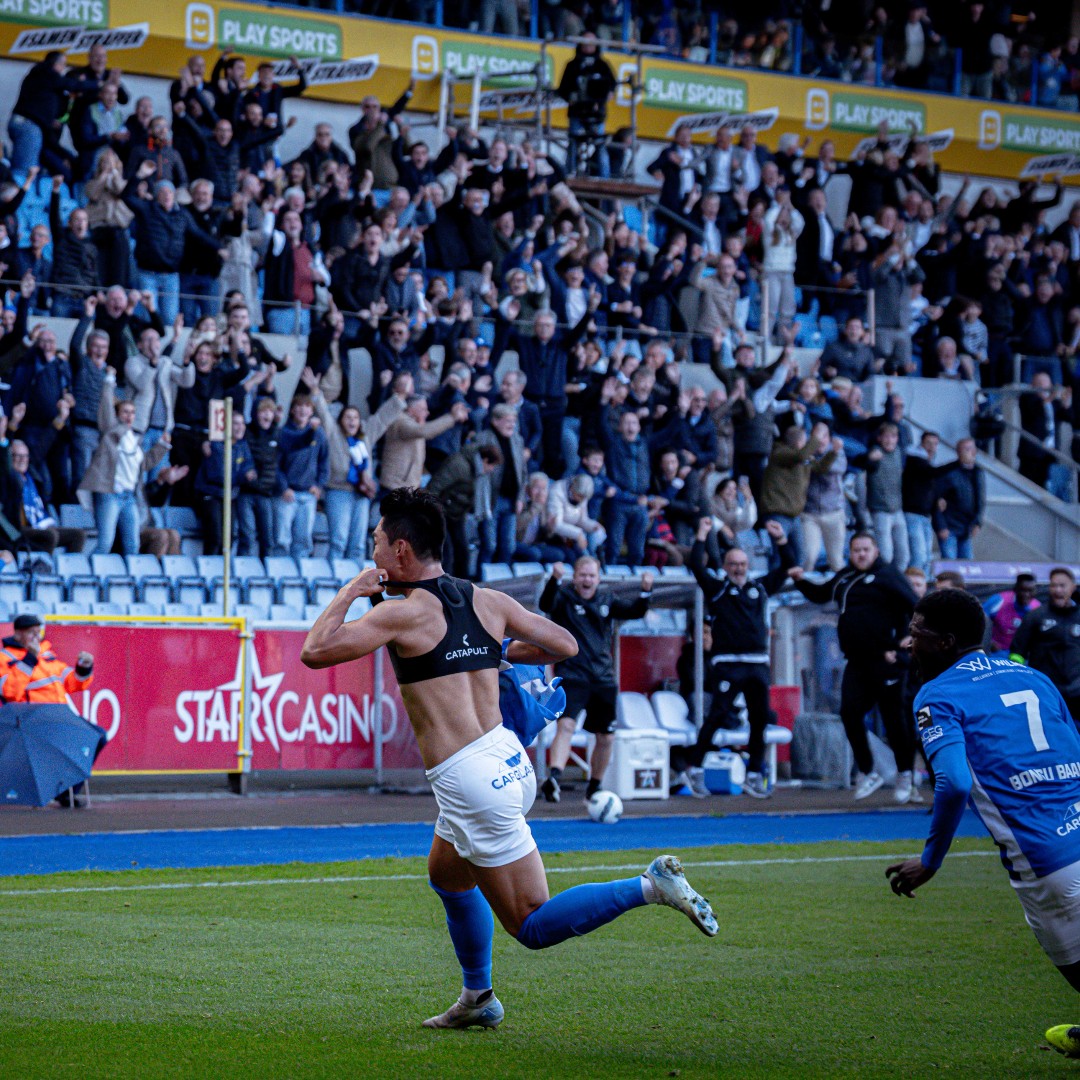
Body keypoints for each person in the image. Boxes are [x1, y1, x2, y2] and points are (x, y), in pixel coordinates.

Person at [300, 488, 716, 1030]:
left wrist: (355, 589)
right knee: (447, 875)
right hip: (508, 758)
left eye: (377, 542)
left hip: (471, 782)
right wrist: (494, 651)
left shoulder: (401, 615)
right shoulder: (485, 600)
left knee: (532, 924)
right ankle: (477, 999)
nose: (373, 553)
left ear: (401, 550)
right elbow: (564, 644)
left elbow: (315, 650)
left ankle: (650, 885)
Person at [883, 588, 1080, 1058]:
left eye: (917, 633)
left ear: (946, 642)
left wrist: (931, 861)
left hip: (1046, 861)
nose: (909, 643)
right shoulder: (1034, 676)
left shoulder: (938, 693)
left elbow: (952, 783)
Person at [791, 533, 919, 802]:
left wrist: (910, 638)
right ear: (850, 553)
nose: (861, 554)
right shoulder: (845, 577)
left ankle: (905, 774)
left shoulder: (887, 575)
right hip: (857, 661)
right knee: (849, 713)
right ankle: (868, 770)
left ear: (875, 551)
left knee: (895, 720)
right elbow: (820, 593)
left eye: (865, 550)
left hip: (887, 661)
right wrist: (800, 580)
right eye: (856, 550)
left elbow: (916, 604)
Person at [686, 518, 794, 798]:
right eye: (733, 564)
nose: (738, 569)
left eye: (743, 564)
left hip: (757, 663)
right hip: (728, 663)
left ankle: (755, 773)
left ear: (748, 566)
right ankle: (695, 767)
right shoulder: (718, 588)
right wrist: (701, 535)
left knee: (760, 719)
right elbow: (697, 566)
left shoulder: (760, 587)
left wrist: (780, 540)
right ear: (725, 566)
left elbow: (787, 566)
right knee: (718, 714)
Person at [538, 557, 654, 803]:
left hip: (603, 678)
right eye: (582, 575)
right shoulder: (564, 598)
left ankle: (595, 785)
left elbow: (635, 611)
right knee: (566, 725)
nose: (587, 580)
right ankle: (555, 777)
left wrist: (645, 592)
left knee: (606, 736)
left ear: (598, 578)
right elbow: (545, 603)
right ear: (575, 576)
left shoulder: (607, 599)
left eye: (592, 576)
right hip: (573, 675)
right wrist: (554, 579)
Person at [1011, 567, 1080, 724]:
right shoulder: (1035, 616)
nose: (1057, 590)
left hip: (1077, 690)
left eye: (1062, 586)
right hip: (1046, 690)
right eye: (1053, 586)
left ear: (1072, 587)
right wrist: (1020, 681)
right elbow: (1017, 653)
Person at [933, 438, 983, 560]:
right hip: (949, 526)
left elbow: (980, 499)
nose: (967, 452)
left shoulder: (978, 472)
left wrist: (978, 522)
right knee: (950, 564)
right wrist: (941, 526)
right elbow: (935, 499)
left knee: (967, 563)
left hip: (967, 526)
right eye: (963, 449)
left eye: (969, 448)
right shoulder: (949, 472)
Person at [983, 573, 1040, 654]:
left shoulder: (1037, 608)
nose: (1026, 594)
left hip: (1021, 656)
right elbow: (978, 618)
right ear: (1015, 589)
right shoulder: (999, 601)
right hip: (996, 654)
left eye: (1030, 590)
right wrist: (989, 642)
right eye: (1023, 590)